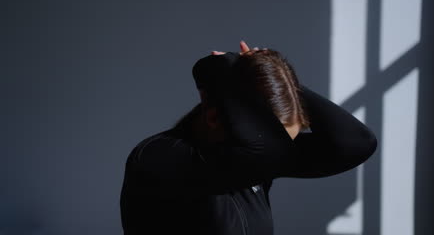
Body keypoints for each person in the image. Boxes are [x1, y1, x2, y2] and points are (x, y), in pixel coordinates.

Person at [119, 41, 378, 235]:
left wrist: (282, 81)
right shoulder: (158, 157)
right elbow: (265, 151)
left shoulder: (257, 160)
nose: (283, 149)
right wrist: (223, 72)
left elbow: (356, 144)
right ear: (213, 117)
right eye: (273, 137)